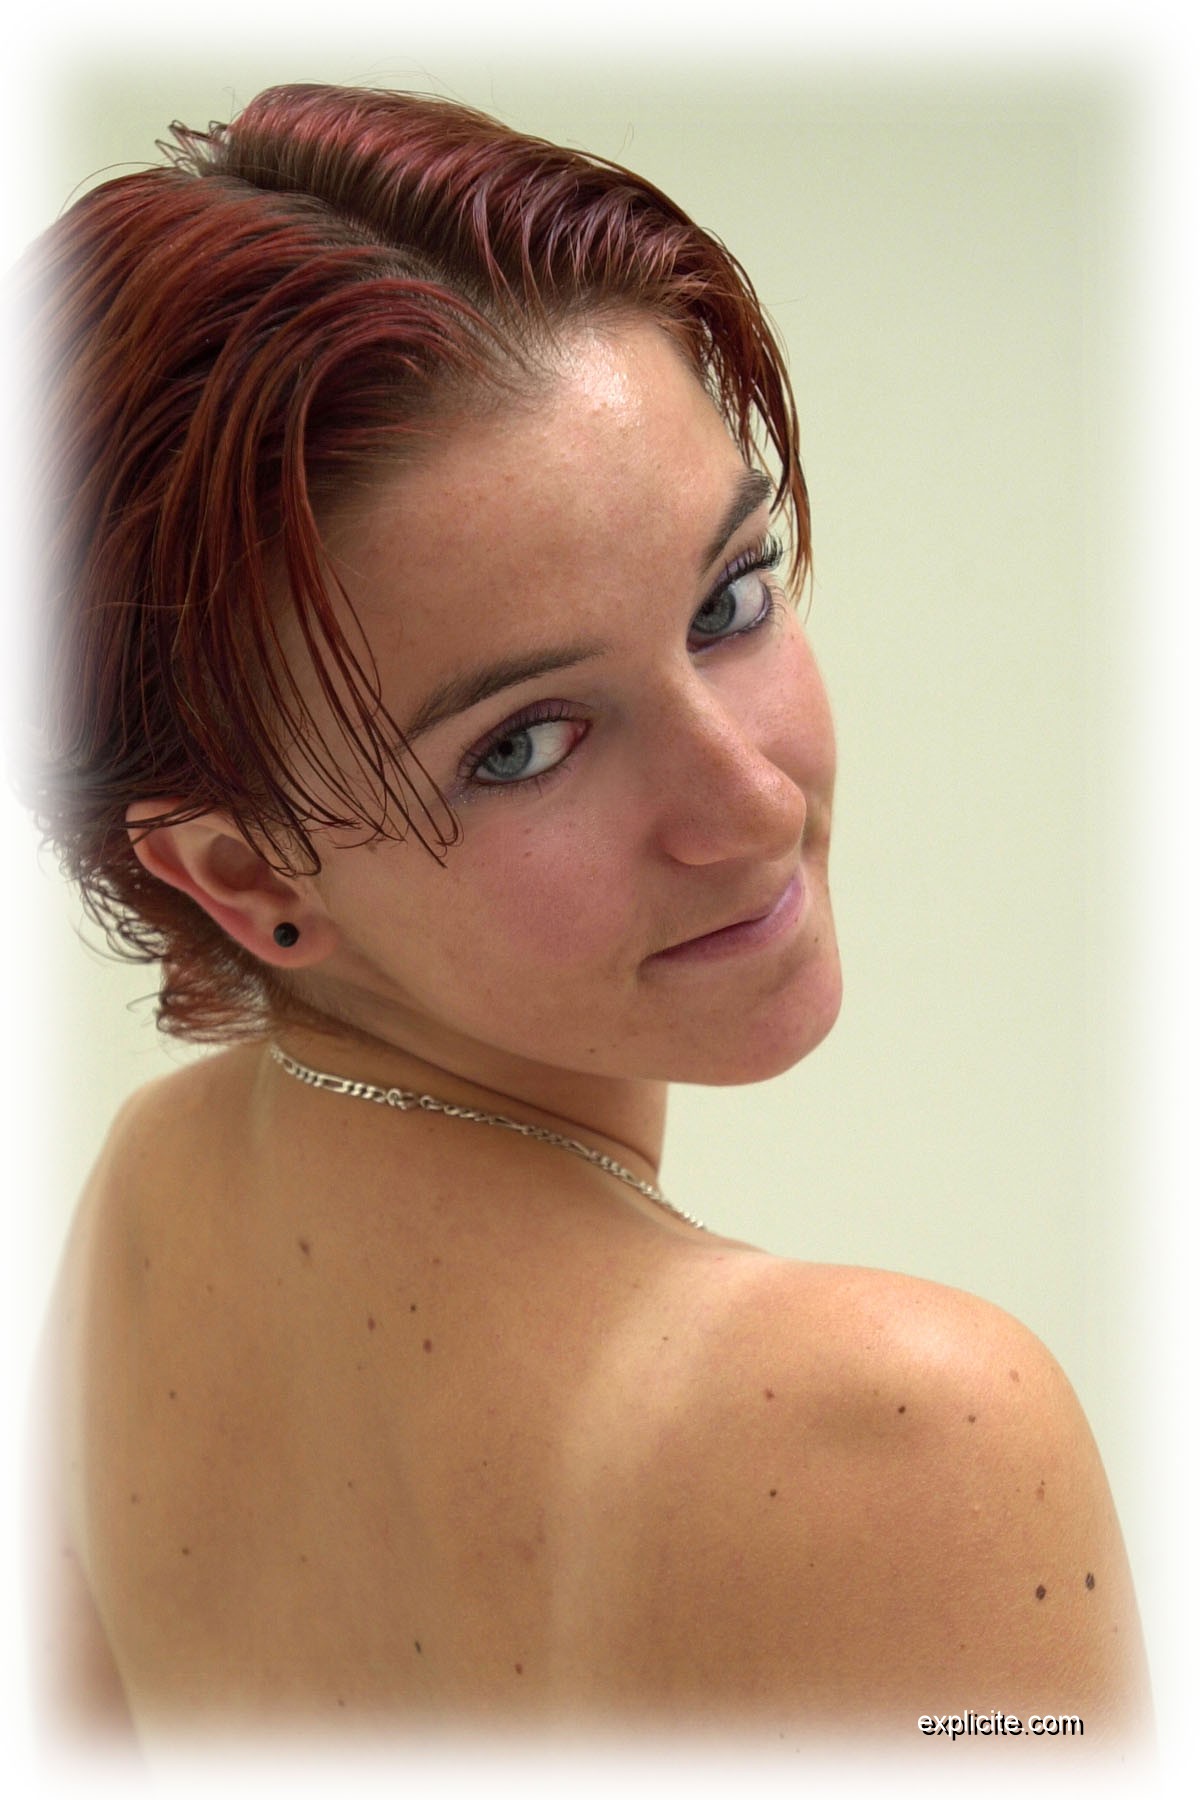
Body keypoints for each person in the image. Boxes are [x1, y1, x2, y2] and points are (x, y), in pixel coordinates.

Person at [20, 82, 1148, 1749]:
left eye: (729, 602)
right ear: (241, 875)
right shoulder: (906, 1437)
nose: (751, 803)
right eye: (524, 745)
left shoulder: (148, 1206)